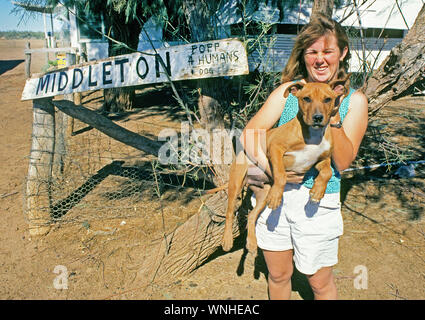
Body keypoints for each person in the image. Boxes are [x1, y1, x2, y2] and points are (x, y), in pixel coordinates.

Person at [240, 13, 368, 300]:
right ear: (304, 56)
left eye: (327, 51)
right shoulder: (289, 92)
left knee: (319, 283)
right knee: (278, 275)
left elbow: (343, 162)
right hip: (278, 195)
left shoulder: (353, 101)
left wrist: (331, 113)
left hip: (316, 202)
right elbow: (249, 133)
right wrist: (272, 172)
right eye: (312, 52)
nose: (320, 59)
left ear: (342, 53)